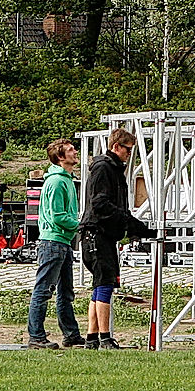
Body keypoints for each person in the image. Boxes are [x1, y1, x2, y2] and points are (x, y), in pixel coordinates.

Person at [80, 127, 152, 349]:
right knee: (105, 285)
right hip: (97, 234)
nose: (129, 156)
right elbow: (101, 205)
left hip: (102, 235)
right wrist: (129, 223)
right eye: (128, 150)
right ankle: (105, 336)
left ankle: (92, 337)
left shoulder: (111, 169)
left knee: (100, 285)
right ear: (116, 147)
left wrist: (130, 226)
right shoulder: (104, 168)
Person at [26, 138, 86, 349]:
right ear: (60, 157)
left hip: (63, 241)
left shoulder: (66, 179)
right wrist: (80, 224)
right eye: (70, 150)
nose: (75, 152)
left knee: (65, 292)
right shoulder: (57, 182)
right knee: (44, 290)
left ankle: (71, 334)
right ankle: (36, 336)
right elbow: (58, 216)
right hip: (53, 241)